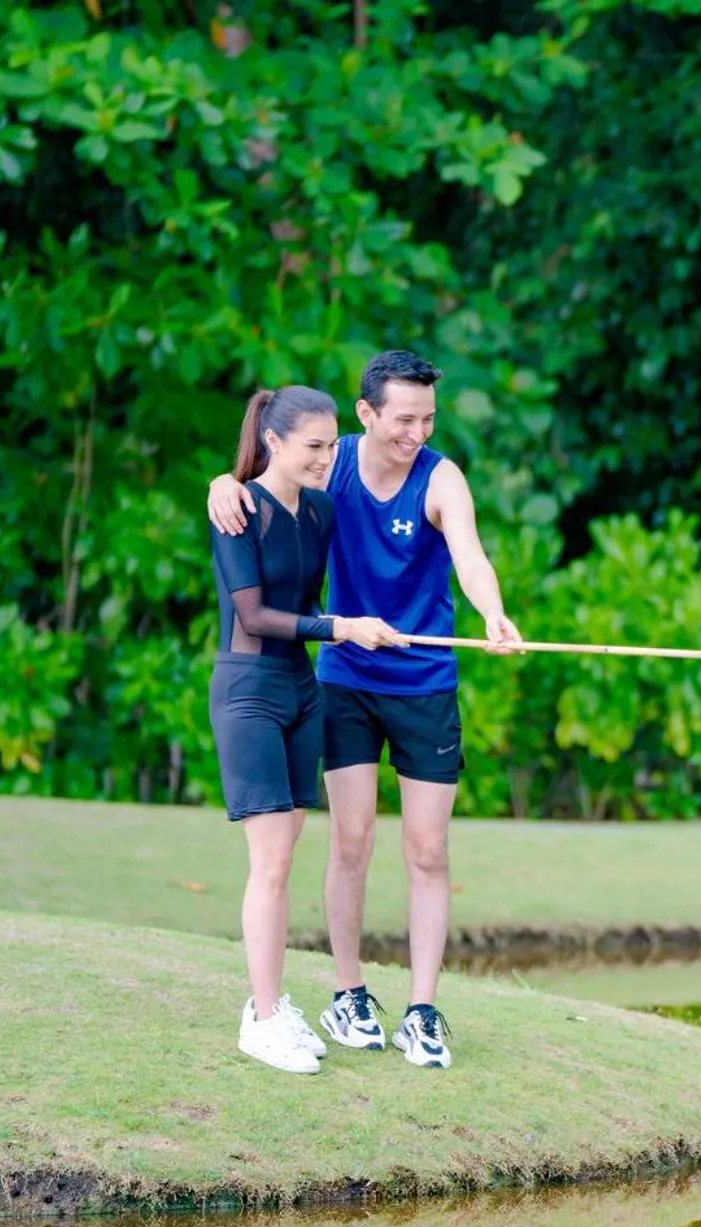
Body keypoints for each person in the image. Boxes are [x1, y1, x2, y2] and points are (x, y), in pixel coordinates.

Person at [208, 350, 521, 1071]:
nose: (417, 433)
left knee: (428, 851)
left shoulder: (440, 478)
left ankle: (422, 1010)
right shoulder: (331, 462)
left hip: (425, 683)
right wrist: (222, 483)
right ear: (367, 414)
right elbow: (266, 484)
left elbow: (470, 555)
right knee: (350, 842)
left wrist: (493, 612)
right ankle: (347, 995)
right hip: (345, 677)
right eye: (404, 419)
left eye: (428, 419)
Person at [209, 384, 407, 1075]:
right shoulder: (237, 509)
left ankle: (269, 1004)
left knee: (284, 857)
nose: (327, 458)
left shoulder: (319, 508)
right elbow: (255, 617)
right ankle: (264, 1020)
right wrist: (343, 628)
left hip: (301, 692)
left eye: (331, 446)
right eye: (315, 447)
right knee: (271, 864)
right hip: (250, 693)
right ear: (274, 442)